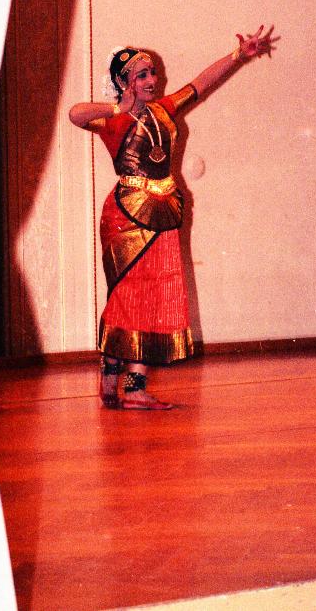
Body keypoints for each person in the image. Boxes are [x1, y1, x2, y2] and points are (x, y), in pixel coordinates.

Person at [69, 26, 276, 409]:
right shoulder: (112, 121)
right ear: (124, 82)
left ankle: (134, 388)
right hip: (127, 214)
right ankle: (111, 367)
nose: (152, 80)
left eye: (153, 73)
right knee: (127, 296)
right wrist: (117, 107)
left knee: (156, 295)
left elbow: (202, 82)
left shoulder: (164, 109)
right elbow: (75, 114)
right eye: (142, 75)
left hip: (164, 209)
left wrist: (239, 55)